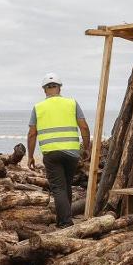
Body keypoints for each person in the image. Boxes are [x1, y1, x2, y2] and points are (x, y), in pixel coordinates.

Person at [25, 73, 91, 228]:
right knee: (66, 186)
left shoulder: (38, 108)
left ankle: (66, 223)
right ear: (60, 87)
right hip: (72, 153)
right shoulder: (72, 104)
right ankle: (62, 220)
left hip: (51, 154)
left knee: (59, 188)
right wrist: (86, 148)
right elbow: (84, 127)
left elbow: (32, 134)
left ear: (44, 90)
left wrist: (30, 156)